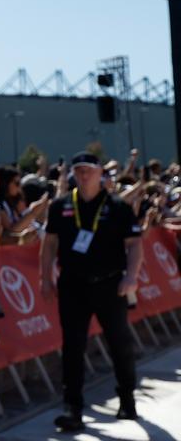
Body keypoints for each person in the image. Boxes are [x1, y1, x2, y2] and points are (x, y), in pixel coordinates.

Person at [41, 152, 143, 431]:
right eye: (79, 170)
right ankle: (72, 408)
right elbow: (49, 243)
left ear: (101, 173)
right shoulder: (61, 205)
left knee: (119, 343)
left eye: (89, 170)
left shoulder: (118, 206)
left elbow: (134, 244)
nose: (84, 175)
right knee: (73, 346)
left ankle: (127, 399)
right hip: (72, 284)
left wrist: (131, 276)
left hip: (110, 284)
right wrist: (45, 279)